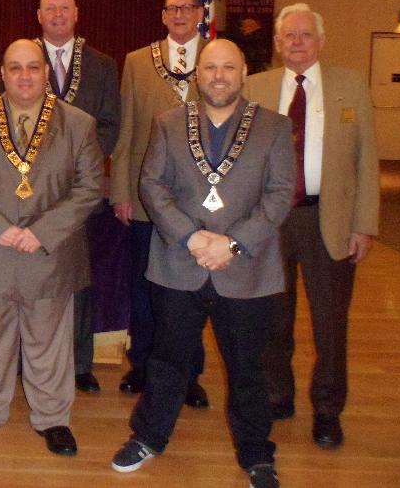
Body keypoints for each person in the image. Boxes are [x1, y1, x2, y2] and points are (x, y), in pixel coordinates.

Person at [110, 40, 294, 488]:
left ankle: (257, 455)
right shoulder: (169, 123)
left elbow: (279, 194)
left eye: (228, 67)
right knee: (167, 360)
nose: (219, 76)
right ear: (197, 74)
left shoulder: (273, 127)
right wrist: (191, 237)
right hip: (179, 262)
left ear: (244, 72)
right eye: (210, 67)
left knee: (249, 369)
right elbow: (151, 185)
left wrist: (233, 243)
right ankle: (148, 437)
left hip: (246, 269)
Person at [0, 39, 104, 457]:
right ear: (1, 74)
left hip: (49, 252)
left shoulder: (78, 123)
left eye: (33, 67)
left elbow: (90, 187)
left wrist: (43, 232)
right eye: (14, 68)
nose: (24, 76)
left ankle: (52, 418)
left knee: (48, 341)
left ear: (46, 72)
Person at [246, 3, 379, 449]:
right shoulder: (256, 87)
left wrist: (364, 224)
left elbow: (367, 159)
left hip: (330, 221)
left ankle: (327, 410)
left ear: (321, 42)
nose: (297, 42)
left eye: (306, 35)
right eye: (289, 35)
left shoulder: (350, 85)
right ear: (277, 43)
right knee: (272, 319)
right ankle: (276, 395)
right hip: (270, 222)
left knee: (330, 324)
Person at [110, 0, 210, 407]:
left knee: (193, 289)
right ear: (163, 15)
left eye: (187, 7)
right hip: (145, 196)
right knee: (143, 284)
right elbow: (126, 129)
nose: (180, 15)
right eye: (172, 9)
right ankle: (143, 364)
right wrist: (121, 190)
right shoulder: (137, 61)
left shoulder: (217, 59)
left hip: (201, 199)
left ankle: (188, 373)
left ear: (200, 12)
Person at [35, 0, 119, 394]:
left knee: (78, 275)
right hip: (30, 191)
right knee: (32, 277)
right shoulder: (20, 59)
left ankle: (80, 363)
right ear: (39, 16)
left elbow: (111, 125)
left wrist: (77, 168)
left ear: (76, 13)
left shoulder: (102, 66)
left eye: (64, 8)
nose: (57, 14)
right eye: (50, 8)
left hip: (81, 192)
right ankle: (31, 359)